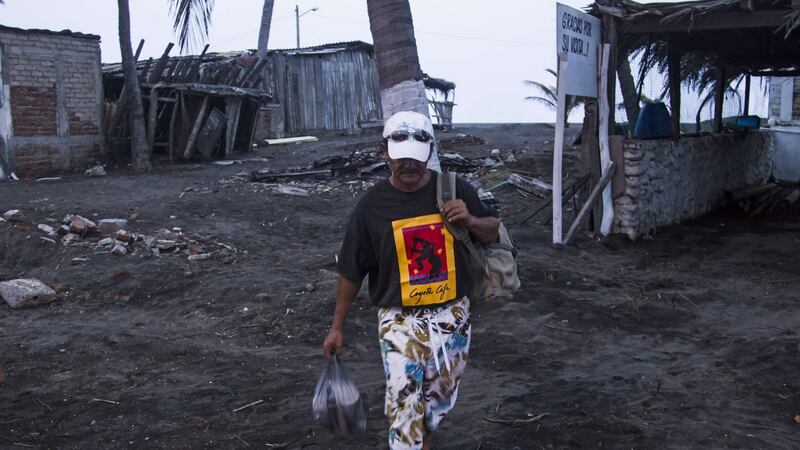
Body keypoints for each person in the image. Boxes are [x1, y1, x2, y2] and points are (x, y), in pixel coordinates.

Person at [322, 111, 499, 450]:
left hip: (452, 316)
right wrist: (336, 326)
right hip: (398, 320)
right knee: (403, 407)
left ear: (430, 150)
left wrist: (471, 219)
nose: (408, 167)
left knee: (438, 402)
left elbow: (492, 232)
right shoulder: (370, 207)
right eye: (400, 159)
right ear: (384, 151)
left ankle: (423, 438)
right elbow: (351, 271)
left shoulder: (452, 188)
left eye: (416, 161)